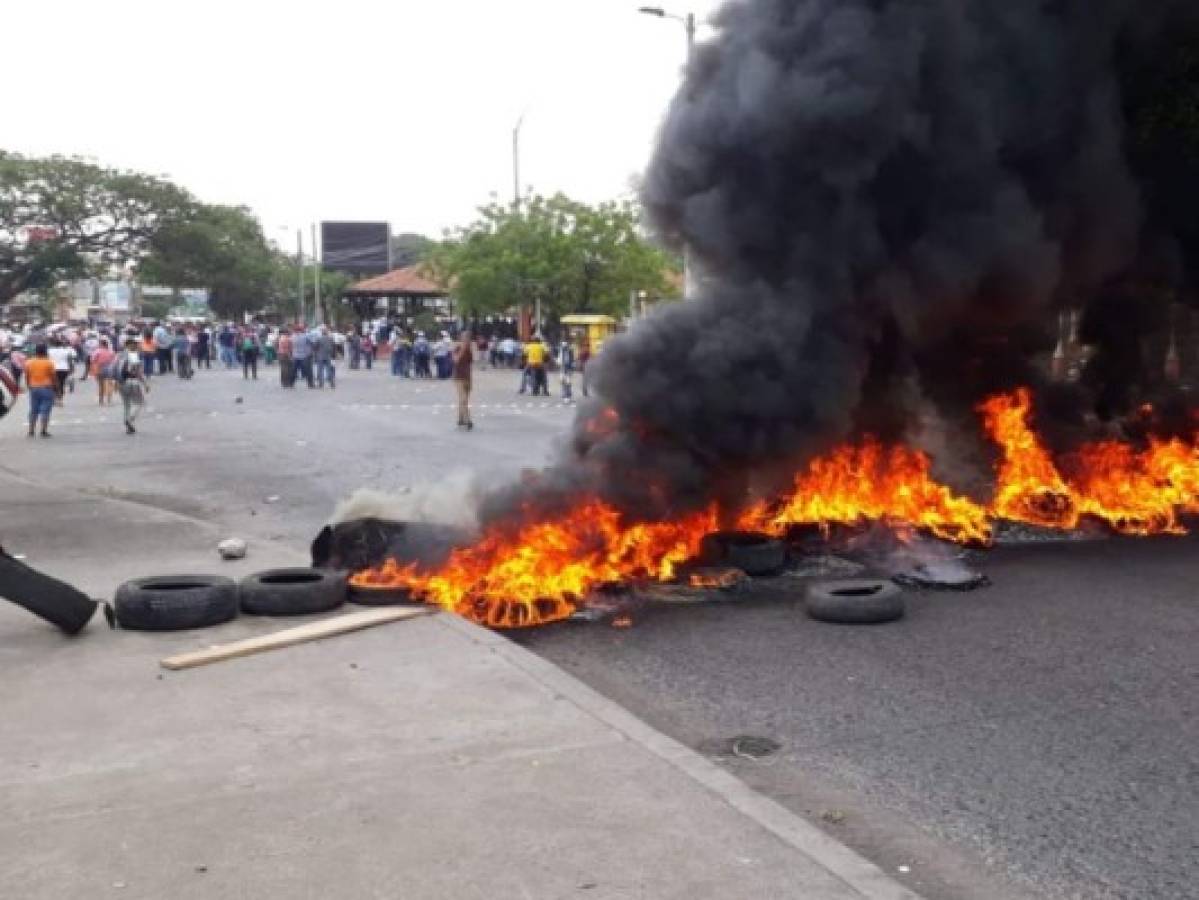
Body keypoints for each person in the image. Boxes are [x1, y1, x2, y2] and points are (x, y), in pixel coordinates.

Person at [116, 338, 149, 434]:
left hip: (121, 382)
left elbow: (115, 369)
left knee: (126, 404)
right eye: (136, 344)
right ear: (130, 345)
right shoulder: (133, 355)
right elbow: (137, 372)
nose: (137, 346)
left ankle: (128, 424)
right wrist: (145, 383)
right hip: (132, 382)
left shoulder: (119, 355)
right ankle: (130, 419)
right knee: (140, 403)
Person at [24, 344, 56, 437]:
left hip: (33, 388)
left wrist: (28, 385)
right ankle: (43, 430)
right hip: (46, 387)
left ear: (36, 351)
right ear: (45, 351)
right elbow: (53, 377)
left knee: (33, 409)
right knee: (45, 410)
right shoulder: (49, 362)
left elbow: (27, 376)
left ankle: (31, 430)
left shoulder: (29, 362)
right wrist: (56, 389)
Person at [453, 330, 474, 430]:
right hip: (458, 376)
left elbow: (470, 362)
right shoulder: (457, 348)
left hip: (467, 376)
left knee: (464, 399)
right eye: (465, 338)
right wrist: (462, 349)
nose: (467, 340)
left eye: (468, 338)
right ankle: (468, 420)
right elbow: (456, 360)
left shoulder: (469, 349)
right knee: (463, 399)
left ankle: (460, 418)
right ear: (461, 338)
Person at [47, 338, 77, 404]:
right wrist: (71, 369)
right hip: (64, 369)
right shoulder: (66, 351)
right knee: (61, 384)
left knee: (53, 384)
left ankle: (55, 399)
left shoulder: (49, 351)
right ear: (61, 344)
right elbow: (69, 360)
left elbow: (47, 360)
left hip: (53, 368)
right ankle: (60, 399)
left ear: (53, 344)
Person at [90, 338, 117, 406]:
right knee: (109, 384)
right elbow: (114, 361)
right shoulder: (111, 351)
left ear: (101, 344)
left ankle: (101, 400)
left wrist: (93, 369)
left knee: (100, 385)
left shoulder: (97, 351)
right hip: (109, 368)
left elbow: (93, 360)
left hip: (99, 368)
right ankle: (109, 399)